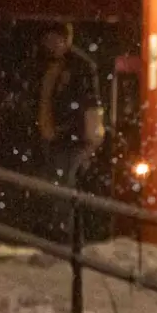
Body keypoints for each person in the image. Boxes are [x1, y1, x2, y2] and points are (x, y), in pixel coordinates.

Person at [36, 23, 104, 192]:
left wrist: (90, 137)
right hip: (54, 134)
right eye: (47, 40)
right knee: (57, 184)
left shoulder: (78, 67)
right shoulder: (45, 64)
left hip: (69, 137)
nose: (50, 45)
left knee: (63, 184)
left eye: (54, 40)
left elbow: (89, 103)